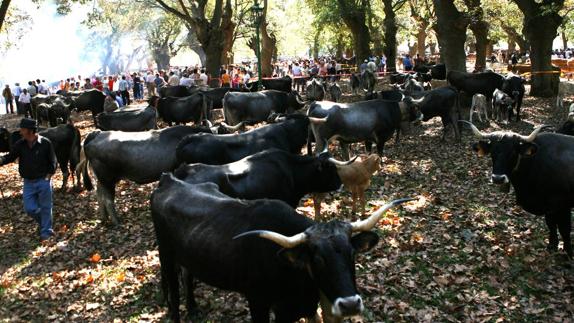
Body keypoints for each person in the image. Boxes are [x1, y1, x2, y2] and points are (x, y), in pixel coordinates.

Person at [0, 118, 57, 242]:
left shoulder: (45, 143)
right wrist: (1, 161)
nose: (20, 131)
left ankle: (46, 232)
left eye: (23, 129)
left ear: (30, 131)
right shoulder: (20, 144)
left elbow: (53, 161)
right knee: (29, 208)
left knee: (46, 207)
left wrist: (48, 176)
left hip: (43, 180)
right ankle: (44, 223)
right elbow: (10, 157)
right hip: (28, 182)